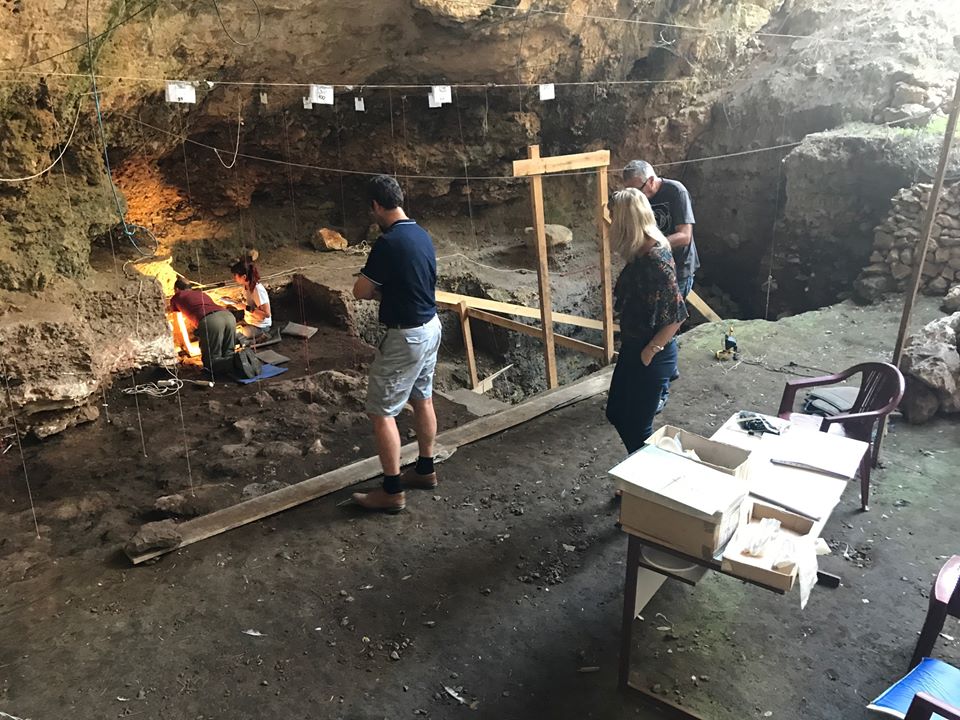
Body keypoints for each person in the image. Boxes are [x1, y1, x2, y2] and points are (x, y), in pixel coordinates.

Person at [350, 174, 442, 513]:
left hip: (406, 336)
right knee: (422, 398)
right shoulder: (421, 234)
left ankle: (391, 491)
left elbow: (360, 291)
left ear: (376, 205)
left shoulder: (388, 242)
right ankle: (425, 469)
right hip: (430, 326)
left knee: (381, 412)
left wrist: (379, 291)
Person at [605, 188, 688, 454]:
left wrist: (650, 351)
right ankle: (641, 466)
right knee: (616, 412)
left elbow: (677, 315)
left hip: (651, 352)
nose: (610, 225)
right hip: (634, 346)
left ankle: (648, 472)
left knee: (638, 427)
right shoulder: (641, 252)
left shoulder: (655, 260)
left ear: (625, 223)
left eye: (613, 218)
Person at [623, 159, 697, 412]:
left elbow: (685, 235)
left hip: (678, 267)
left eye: (638, 190)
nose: (636, 196)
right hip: (653, 266)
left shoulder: (676, 192)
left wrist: (653, 247)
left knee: (667, 326)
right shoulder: (639, 198)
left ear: (652, 181)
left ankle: (660, 389)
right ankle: (669, 368)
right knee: (662, 327)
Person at [168, 277, 236, 372]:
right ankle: (238, 368)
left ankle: (218, 374)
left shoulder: (176, 297)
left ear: (176, 289)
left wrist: (185, 346)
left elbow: (178, 323)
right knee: (229, 353)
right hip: (228, 316)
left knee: (212, 360)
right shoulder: (201, 293)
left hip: (211, 321)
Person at [230, 256, 272, 344]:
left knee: (232, 337)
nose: (234, 278)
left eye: (235, 275)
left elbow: (266, 314)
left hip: (260, 326)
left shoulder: (257, 290)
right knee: (229, 329)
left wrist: (245, 307)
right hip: (250, 321)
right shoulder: (246, 286)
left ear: (244, 276)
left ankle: (261, 336)